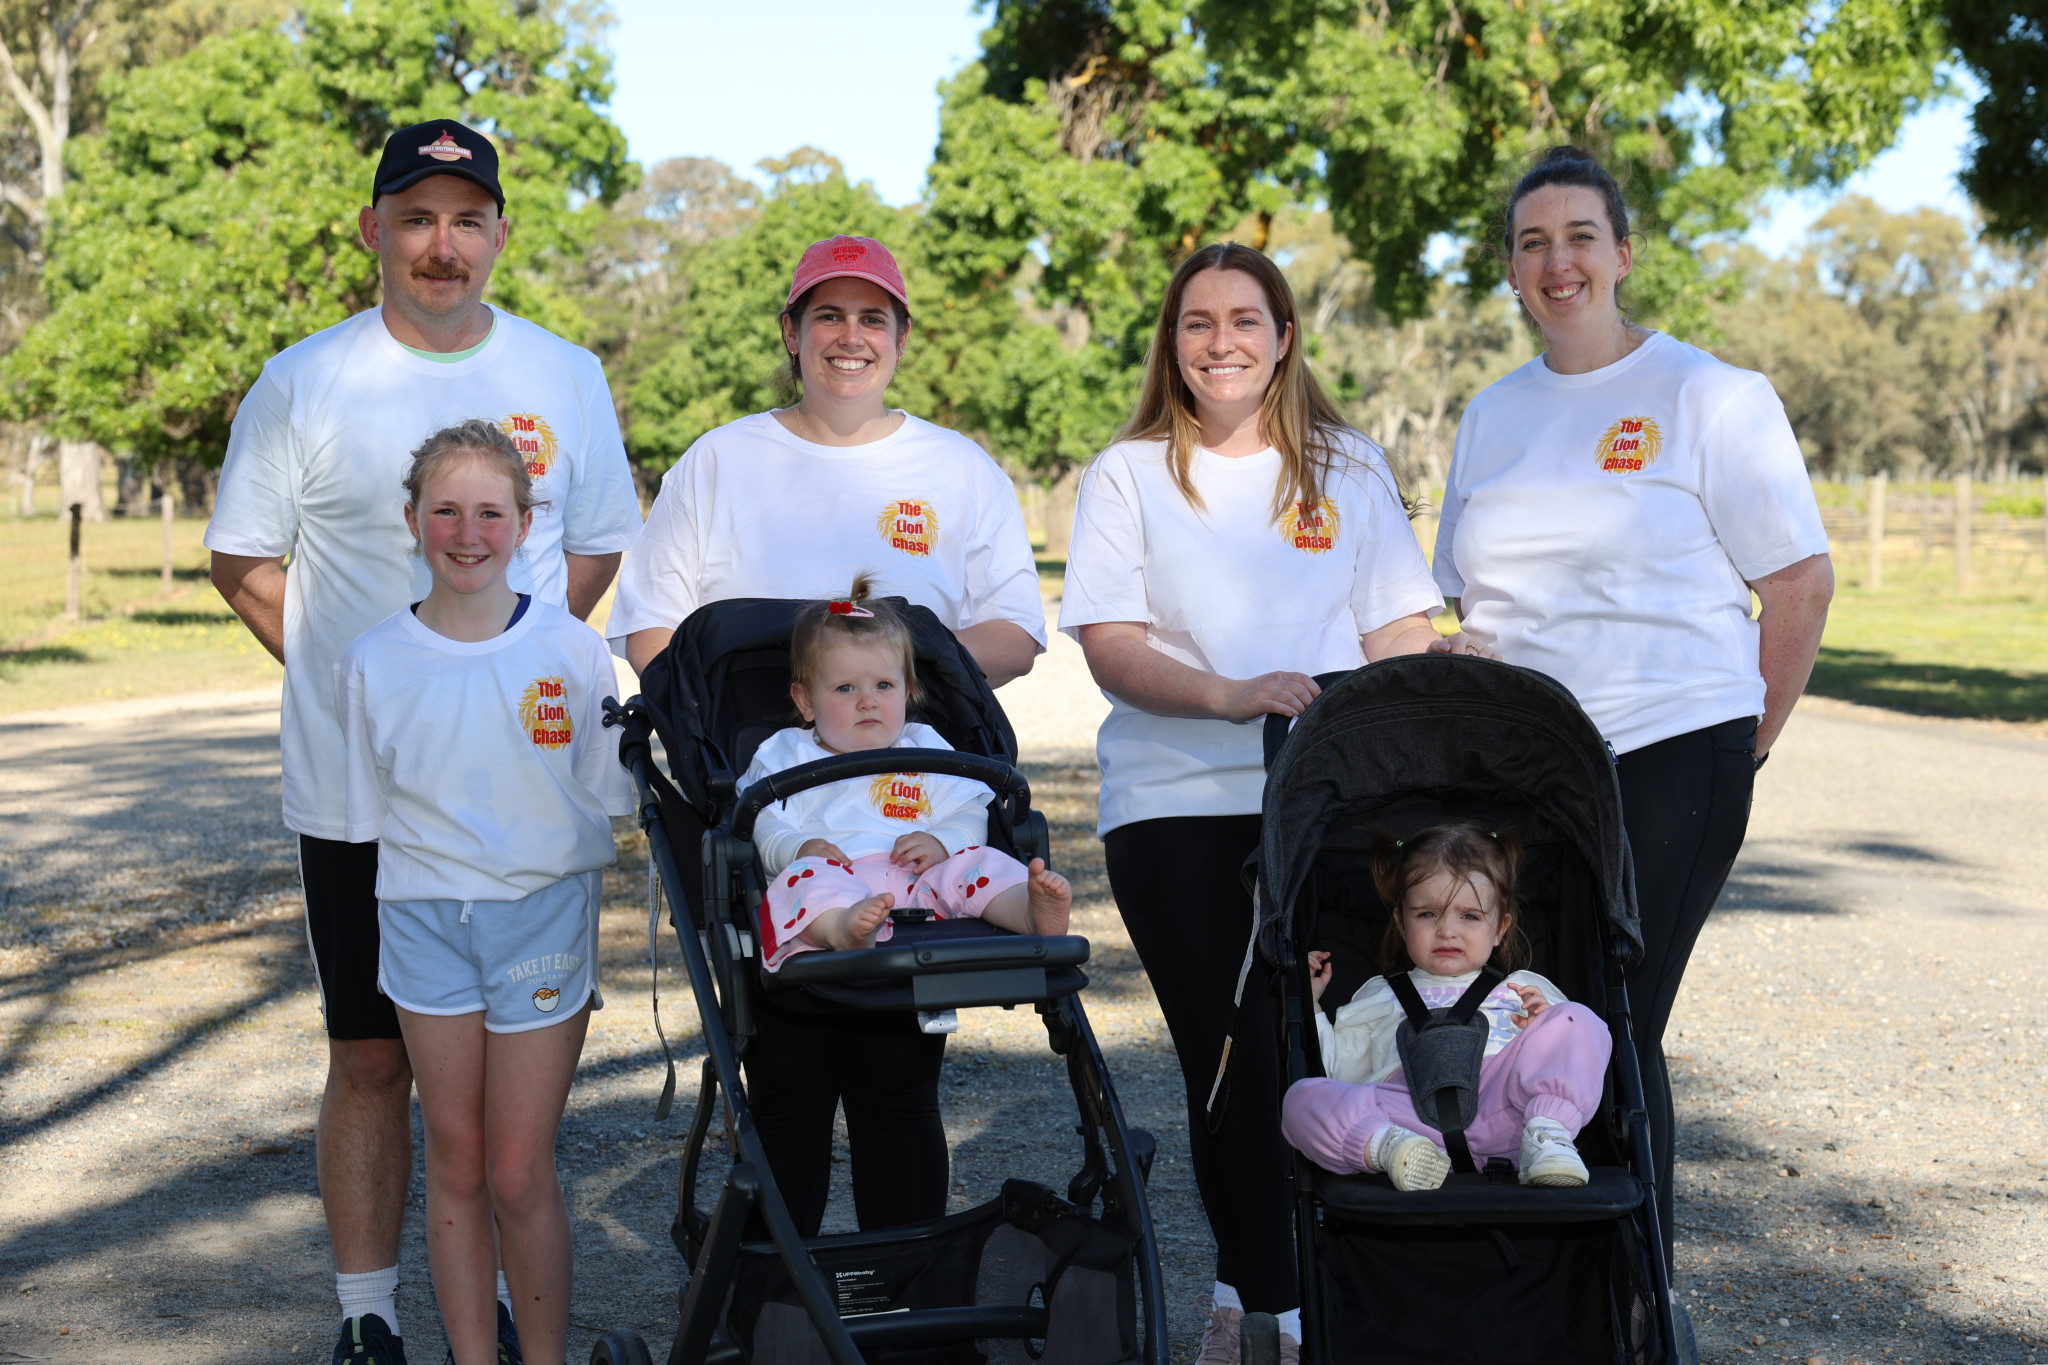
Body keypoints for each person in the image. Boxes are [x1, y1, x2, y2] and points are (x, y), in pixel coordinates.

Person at [206, 119, 643, 1364]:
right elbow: (242, 560)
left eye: (465, 219)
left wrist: (498, 688)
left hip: (524, 820)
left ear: (498, 234)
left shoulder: (565, 373)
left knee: (505, 1108)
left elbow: (595, 550)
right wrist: (379, 696)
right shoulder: (305, 379)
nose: (440, 245)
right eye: (415, 218)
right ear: (373, 231)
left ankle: (490, 1310)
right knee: (369, 1059)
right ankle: (366, 1314)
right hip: (363, 800)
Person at [1429, 145, 1833, 1274]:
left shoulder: (1707, 395)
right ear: (1509, 268)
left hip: (1670, 746)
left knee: (1612, 1014)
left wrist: (1742, 743)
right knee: (1528, 1016)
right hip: (1518, 769)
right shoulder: (1490, 414)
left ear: (1619, 253)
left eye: (1576, 237)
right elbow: (1472, 597)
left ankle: (1634, 1297)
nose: (1555, 263)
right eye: (1530, 242)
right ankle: (1540, 1284)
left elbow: (1797, 583)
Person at [605, 236, 1045, 1240]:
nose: (850, 337)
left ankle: (904, 1306)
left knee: (898, 1091)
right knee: (788, 1089)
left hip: (906, 813)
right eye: (828, 316)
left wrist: (880, 686)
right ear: (792, 334)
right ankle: (776, 1310)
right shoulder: (720, 462)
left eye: (872, 318)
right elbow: (652, 631)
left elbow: (1014, 629)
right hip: (776, 810)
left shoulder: (954, 469)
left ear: (899, 337)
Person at [1060, 242, 1446, 1360]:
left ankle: (1304, 1296)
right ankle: (1259, 1306)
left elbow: (1396, 629)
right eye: (1195, 323)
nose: (1218, 341)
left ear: (1282, 336)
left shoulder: (1350, 468)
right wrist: (1236, 696)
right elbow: (1111, 648)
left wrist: (1386, 704)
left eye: (1243, 319)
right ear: (1170, 346)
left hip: (1334, 811)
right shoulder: (1128, 474)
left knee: (1336, 1051)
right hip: (1174, 805)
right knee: (1230, 1057)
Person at [337, 422, 630, 1365]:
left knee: (515, 1167)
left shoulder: (572, 651)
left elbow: (607, 794)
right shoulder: (374, 658)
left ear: (526, 522)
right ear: (413, 520)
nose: (468, 532)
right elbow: (367, 805)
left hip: (541, 917)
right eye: (446, 510)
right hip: (423, 919)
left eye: (490, 512)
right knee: (455, 1162)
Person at [742, 574, 1071, 971]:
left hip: (924, 879)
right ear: (806, 700)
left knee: (977, 861)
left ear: (907, 690)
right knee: (804, 880)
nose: (868, 702)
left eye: (883, 685)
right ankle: (844, 927)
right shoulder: (784, 754)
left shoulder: (925, 747)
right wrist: (797, 849)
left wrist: (943, 842)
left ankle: (1028, 909)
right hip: (840, 879)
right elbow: (761, 822)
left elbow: (969, 810)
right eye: (845, 689)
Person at [1280, 824, 1611, 1192]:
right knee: (1303, 1098)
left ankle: (1549, 1136)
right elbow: (1342, 1073)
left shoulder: (1523, 987)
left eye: (1469, 916)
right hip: (1408, 1117)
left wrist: (1542, 1021)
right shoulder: (1378, 993)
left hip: (1507, 1111)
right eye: (1427, 915)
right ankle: (1389, 1149)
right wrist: (1309, 1004)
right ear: (1401, 924)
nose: (1447, 931)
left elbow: (1573, 1054)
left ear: (1500, 927)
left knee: (1577, 1019)